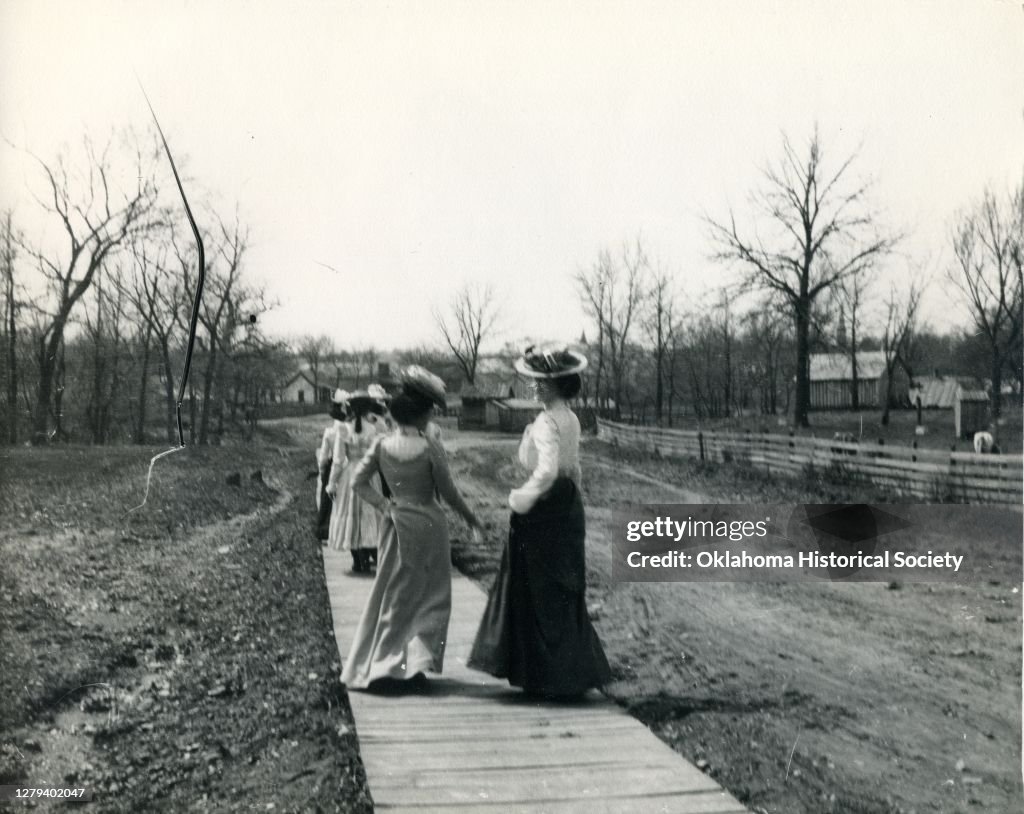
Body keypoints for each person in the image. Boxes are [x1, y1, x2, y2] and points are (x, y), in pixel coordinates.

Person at [468, 346, 611, 699]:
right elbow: (572, 468)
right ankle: (567, 672)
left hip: (544, 507)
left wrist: (521, 498)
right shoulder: (572, 419)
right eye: (533, 381)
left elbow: (544, 470)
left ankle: (542, 674)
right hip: (567, 506)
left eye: (540, 383)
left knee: (536, 588)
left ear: (555, 386)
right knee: (563, 587)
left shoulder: (547, 423)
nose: (533, 387)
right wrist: (571, 498)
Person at [341, 365, 482, 690]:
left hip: (396, 523)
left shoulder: (381, 446)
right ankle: (415, 665)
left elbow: (358, 483)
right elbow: (448, 493)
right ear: (423, 418)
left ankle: (385, 665)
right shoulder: (431, 448)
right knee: (430, 596)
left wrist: (384, 505)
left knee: (394, 594)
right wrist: (471, 518)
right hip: (430, 526)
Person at [328, 389, 388, 572]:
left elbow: (338, 461)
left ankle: (357, 560)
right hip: (370, 474)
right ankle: (372, 553)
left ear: (350, 407)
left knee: (350, 515)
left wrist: (332, 483)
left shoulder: (343, 428)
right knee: (371, 514)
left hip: (350, 473)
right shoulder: (376, 428)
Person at [316, 390, 348, 543]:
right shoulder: (352, 428)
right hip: (350, 467)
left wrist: (322, 471)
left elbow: (323, 456)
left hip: (334, 467)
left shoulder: (330, 431)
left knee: (327, 499)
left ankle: (325, 529)